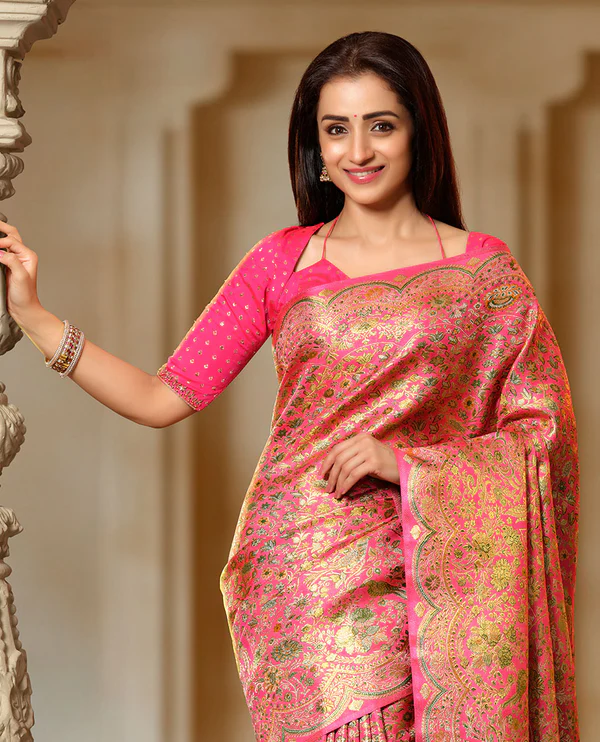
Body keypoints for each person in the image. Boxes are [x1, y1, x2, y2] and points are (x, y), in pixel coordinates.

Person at [0, 30, 579, 742]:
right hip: (306, 565)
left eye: (381, 126)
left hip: (446, 572)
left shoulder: (484, 273)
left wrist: (406, 463)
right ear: (316, 146)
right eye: (336, 129)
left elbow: (542, 435)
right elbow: (161, 397)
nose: (358, 150)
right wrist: (36, 317)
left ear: (419, 132)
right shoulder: (282, 262)